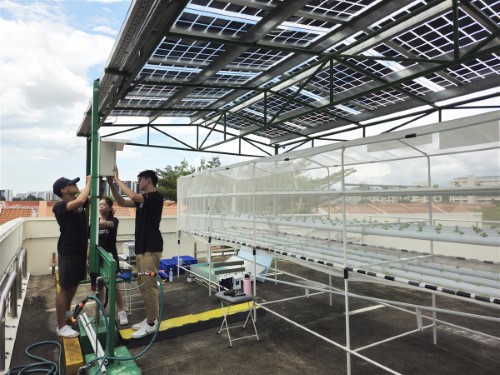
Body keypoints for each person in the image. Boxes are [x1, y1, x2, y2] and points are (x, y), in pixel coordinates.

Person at [107, 168, 163, 339]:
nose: (138, 183)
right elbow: (122, 203)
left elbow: (132, 197)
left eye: (140, 180)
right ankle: (149, 319)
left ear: (149, 180)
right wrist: (111, 184)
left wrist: (117, 179)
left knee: (149, 286)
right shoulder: (143, 201)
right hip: (142, 247)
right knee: (143, 284)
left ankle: (152, 324)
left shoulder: (155, 197)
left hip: (150, 247)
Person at [52, 176, 91, 338]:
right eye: (72, 184)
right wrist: (90, 181)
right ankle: (61, 326)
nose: (76, 185)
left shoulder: (79, 202)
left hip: (80, 250)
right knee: (65, 288)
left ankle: (67, 312)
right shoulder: (60, 206)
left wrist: (102, 180)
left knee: (74, 284)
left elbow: (95, 196)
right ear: (63, 190)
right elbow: (80, 201)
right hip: (68, 251)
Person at [97, 197, 128, 325]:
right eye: (99, 205)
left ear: (109, 207)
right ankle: (100, 310)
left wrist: (102, 220)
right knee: (100, 285)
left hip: (111, 256)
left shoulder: (114, 220)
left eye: (104, 205)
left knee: (114, 285)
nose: (101, 207)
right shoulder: (95, 222)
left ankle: (121, 311)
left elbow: (110, 225)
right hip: (99, 256)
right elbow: (89, 240)